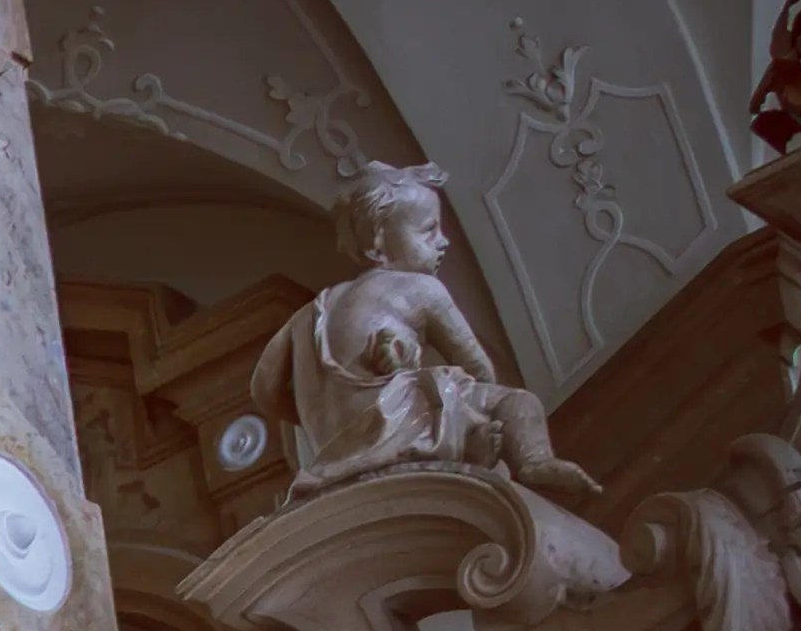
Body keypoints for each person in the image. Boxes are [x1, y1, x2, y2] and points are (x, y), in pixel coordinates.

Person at [253, 160, 602, 506]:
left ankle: (469, 439)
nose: (444, 241)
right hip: (398, 434)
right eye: (428, 230)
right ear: (377, 245)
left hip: (330, 459)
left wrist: (320, 411)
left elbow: (264, 390)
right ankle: (534, 462)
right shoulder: (421, 288)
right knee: (515, 401)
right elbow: (479, 368)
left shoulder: (306, 314)